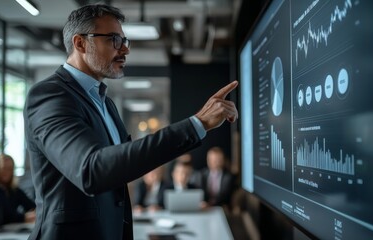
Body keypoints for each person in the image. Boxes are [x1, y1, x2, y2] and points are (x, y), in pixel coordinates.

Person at [23, 3, 238, 240]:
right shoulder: (50, 95)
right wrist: (196, 125)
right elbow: (90, 170)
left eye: (125, 41)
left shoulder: (105, 102)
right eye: (114, 40)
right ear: (80, 43)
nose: (125, 50)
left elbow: (119, 166)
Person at [0, 154, 36, 223]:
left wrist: (34, 212)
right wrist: (24, 217)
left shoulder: (14, 190)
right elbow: (5, 216)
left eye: (9, 169)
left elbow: (31, 206)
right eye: (3, 168)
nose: (6, 172)